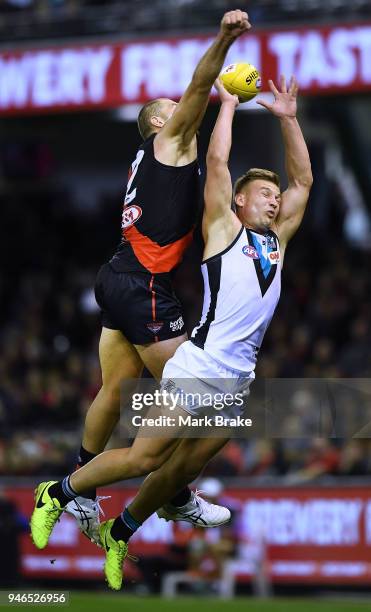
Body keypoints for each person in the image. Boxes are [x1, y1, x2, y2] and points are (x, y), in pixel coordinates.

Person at [30, 75, 312, 590]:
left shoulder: (280, 241)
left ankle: (124, 528)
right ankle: (60, 491)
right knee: (146, 455)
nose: (274, 202)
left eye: (276, 197)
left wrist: (289, 119)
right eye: (263, 194)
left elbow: (305, 184)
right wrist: (226, 107)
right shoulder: (224, 230)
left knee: (187, 463)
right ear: (239, 202)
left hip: (238, 380)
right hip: (199, 365)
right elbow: (221, 165)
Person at [64, 9, 251, 542]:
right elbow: (199, 84)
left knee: (115, 391)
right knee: (201, 397)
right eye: (171, 108)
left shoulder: (159, 154)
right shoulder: (170, 140)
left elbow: (209, 131)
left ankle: (83, 483)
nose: (182, 106)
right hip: (145, 284)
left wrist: (230, 106)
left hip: (118, 275)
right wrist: (223, 39)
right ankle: (173, 495)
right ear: (158, 122)